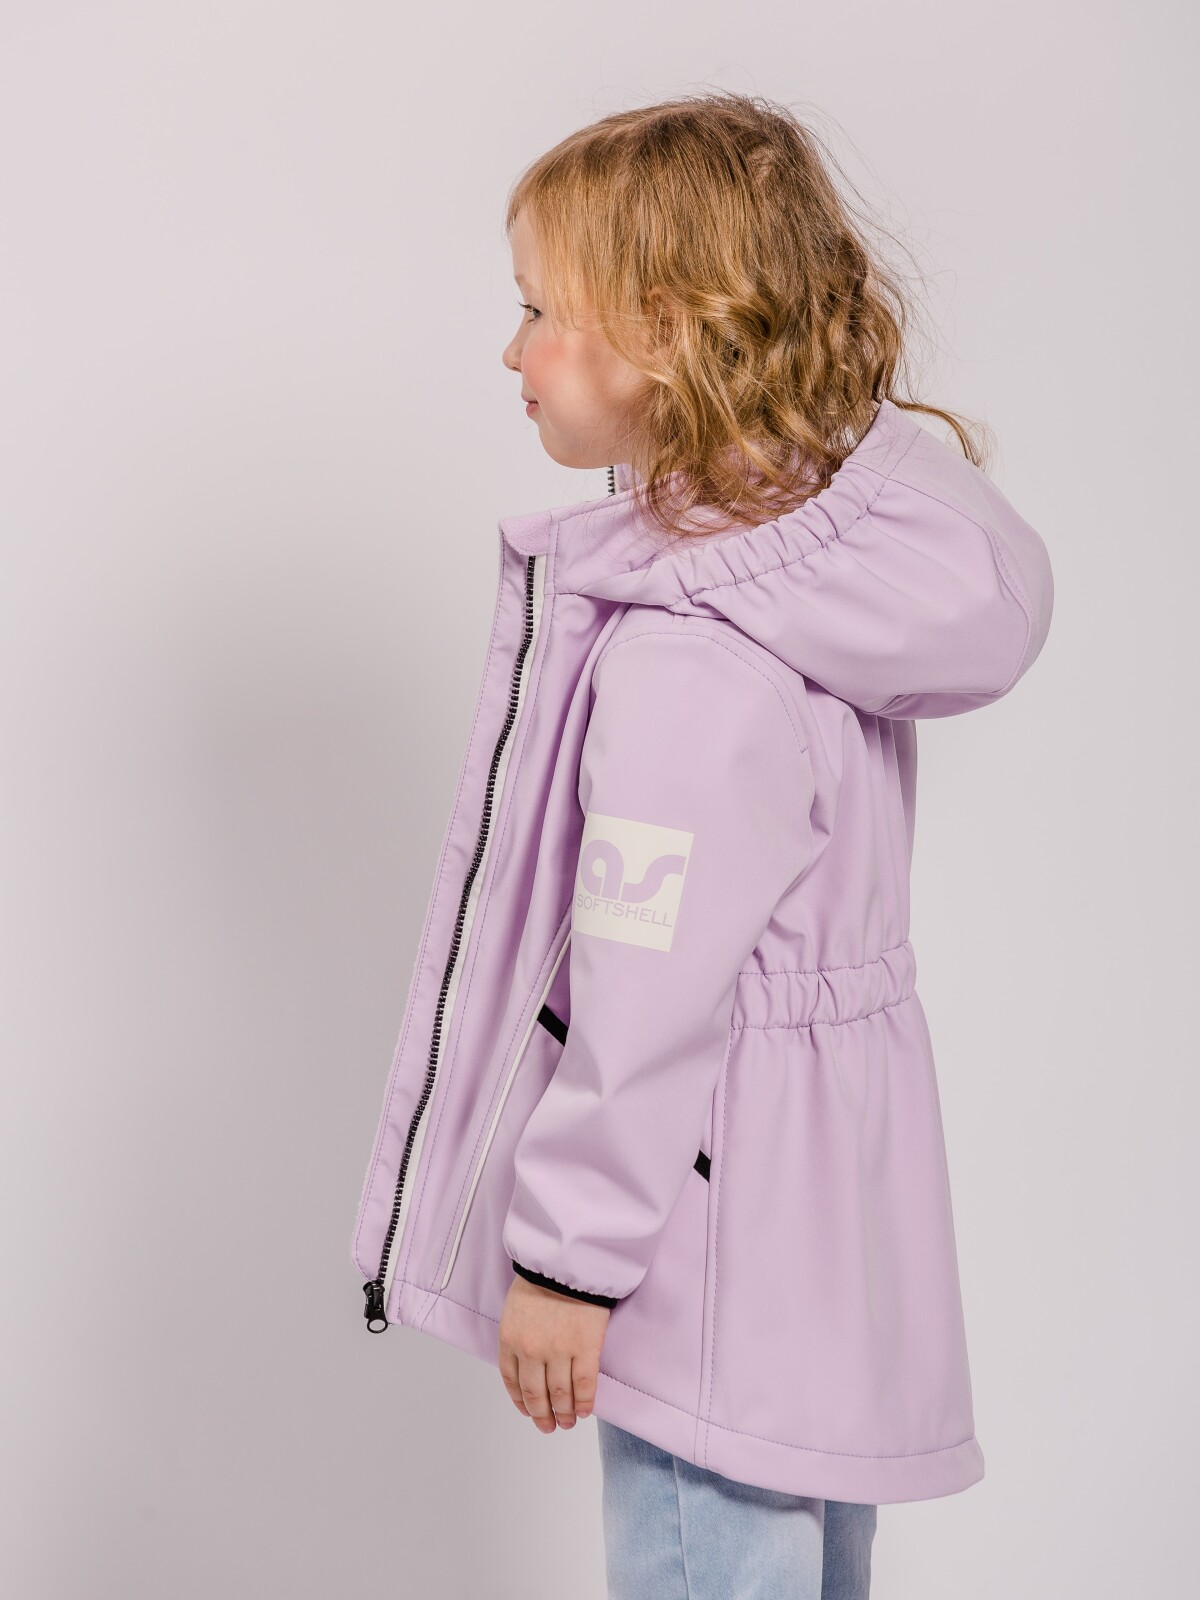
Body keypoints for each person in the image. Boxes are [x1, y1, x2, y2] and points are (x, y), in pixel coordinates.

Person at [350, 91, 1054, 1599]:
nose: (513, 352)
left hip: (700, 1229)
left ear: (661, 335)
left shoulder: (693, 655)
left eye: (540, 310)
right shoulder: (819, 587)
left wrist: (568, 1258)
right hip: (825, 1232)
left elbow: (646, 992)